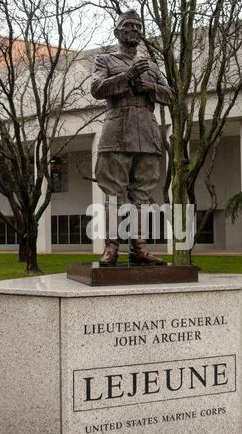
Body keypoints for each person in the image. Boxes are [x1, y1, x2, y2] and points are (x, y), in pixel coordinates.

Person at [91, 9, 174, 266]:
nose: (135, 30)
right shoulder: (105, 60)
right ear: (117, 32)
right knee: (115, 194)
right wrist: (128, 77)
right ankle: (112, 246)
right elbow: (97, 89)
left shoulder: (151, 65)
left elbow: (171, 95)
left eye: (139, 27)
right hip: (117, 131)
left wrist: (148, 86)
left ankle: (139, 247)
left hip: (147, 134)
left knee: (143, 195)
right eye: (129, 26)